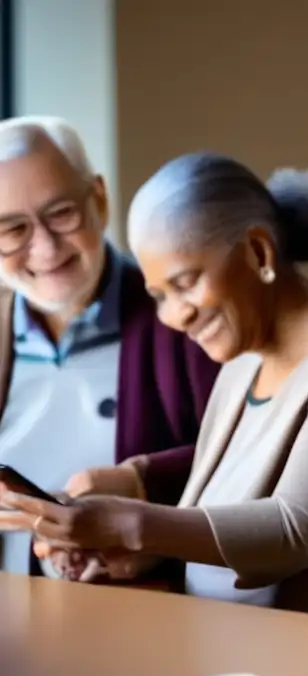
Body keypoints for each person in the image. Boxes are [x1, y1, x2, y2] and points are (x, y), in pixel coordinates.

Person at [2, 152, 308, 617]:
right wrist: (116, 548)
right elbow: (211, 522)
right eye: (159, 296)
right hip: (230, 648)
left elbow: (293, 530)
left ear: (258, 252)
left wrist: (127, 523)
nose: (174, 316)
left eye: (185, 283)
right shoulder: (241, 358)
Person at [0, 117, 218, 579]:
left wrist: (140, 478)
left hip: (140, 611)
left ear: (99, 199)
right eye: (11, 230)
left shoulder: (185, 318)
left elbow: (250, 456)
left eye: (61, 214)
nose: (43, 248)